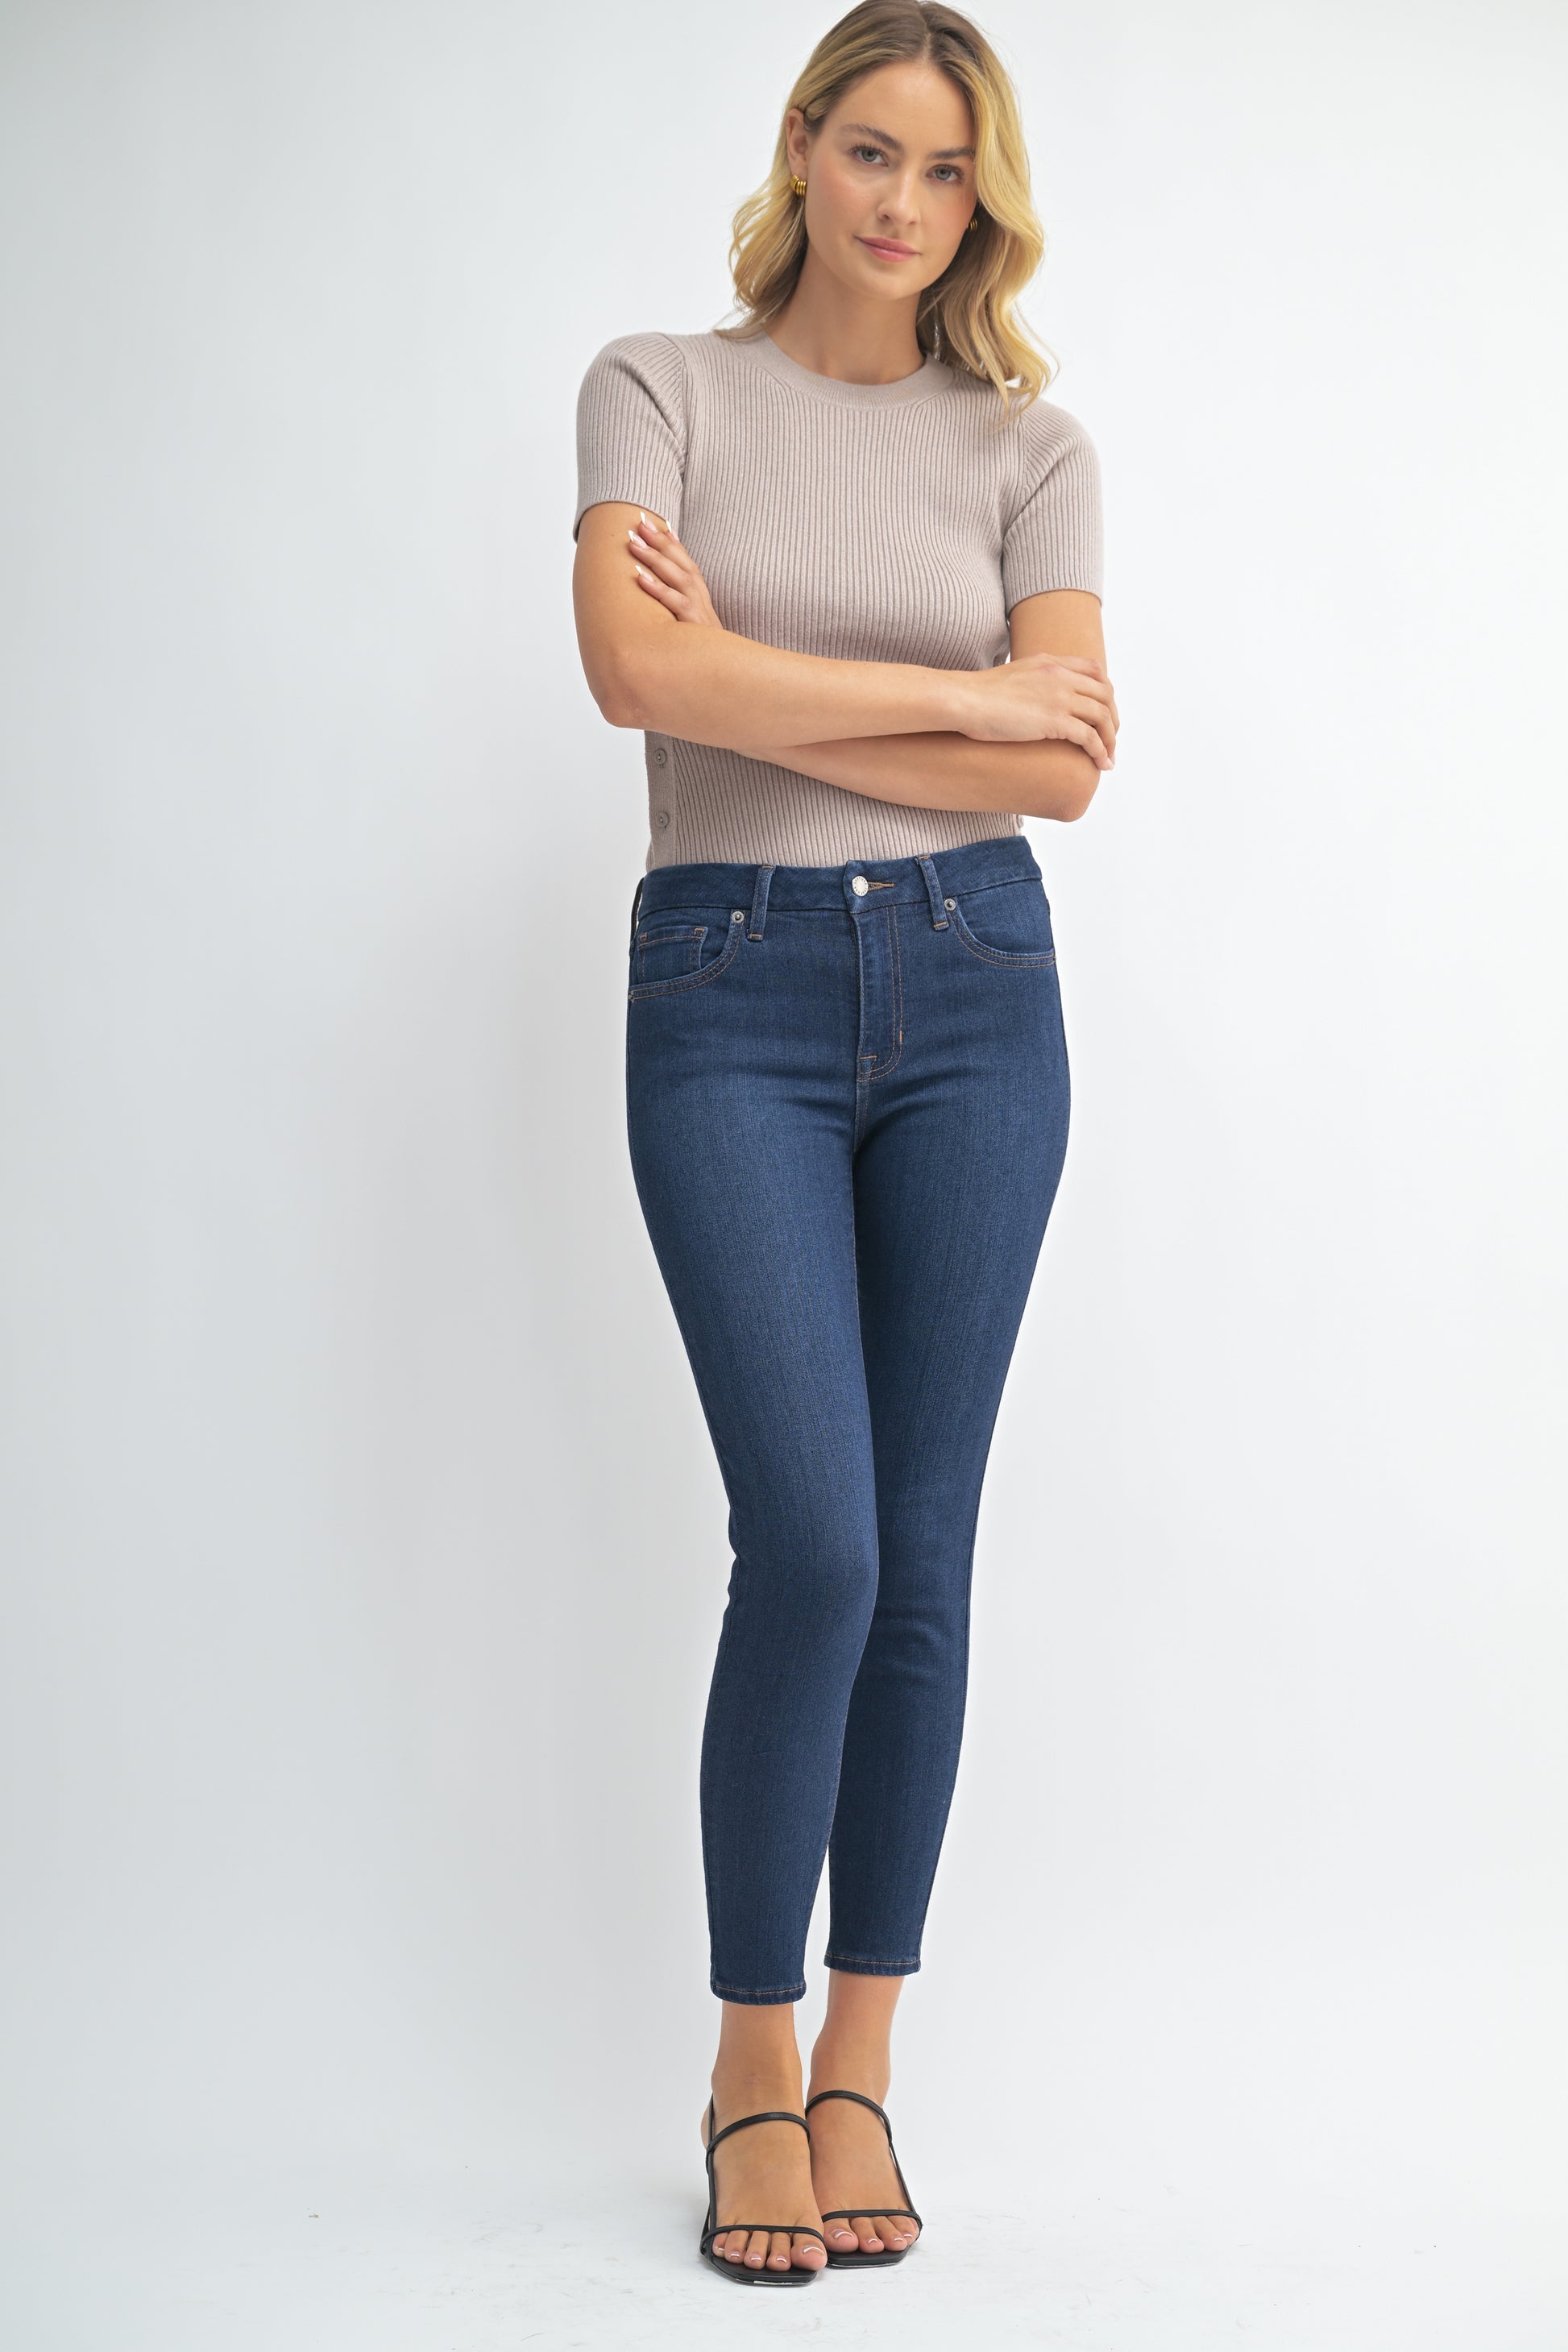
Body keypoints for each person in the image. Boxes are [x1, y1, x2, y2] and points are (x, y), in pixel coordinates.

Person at [570, 0, 1118, 2288]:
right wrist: (959, 696)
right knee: (806, 1539)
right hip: (730, 992)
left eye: (948, 169)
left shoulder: (1028, 446)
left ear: (984, 203)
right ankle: (747, 2062)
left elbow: (1064, 773)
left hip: (980, 991)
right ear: (801, 148)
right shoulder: (659, 392)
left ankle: (864, 2062)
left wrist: (788, 684)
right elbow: (640, 680)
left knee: (917, 1550)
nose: (905, 203)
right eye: (871, 149)